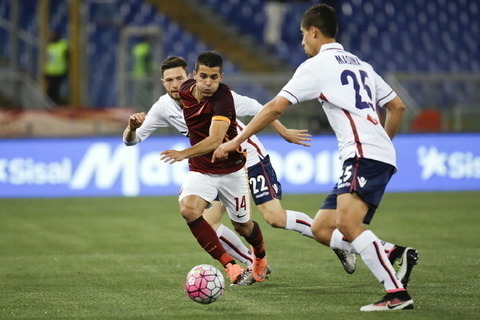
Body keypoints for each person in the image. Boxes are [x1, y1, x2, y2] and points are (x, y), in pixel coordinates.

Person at [213, 4, 418, 311]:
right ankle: (389, 252)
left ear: (313, 31)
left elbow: (273, 108)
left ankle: (396, 294)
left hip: (362, 153)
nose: (301, 43)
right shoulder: (361, 64)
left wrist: (235, 142)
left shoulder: (317, 65)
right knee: (323, 228)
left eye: (302, 35)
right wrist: (382, 144)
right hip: (372, 152)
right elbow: (397, 106)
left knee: (348, 224)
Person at [123, 55, 356, 280]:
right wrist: (132, 127)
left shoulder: (217, 95)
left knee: (274, 218)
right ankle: (250, 262)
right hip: (215, 166)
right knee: (210, 223)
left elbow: (258, 108)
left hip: (249, 158)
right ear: (163, 83)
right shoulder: (163, 107)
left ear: (190, 77)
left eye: (180, 78)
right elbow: (131, 140)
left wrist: (284, 132)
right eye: (170, 80)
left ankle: (336, 241)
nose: (176, 84)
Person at [159, 51, 274, 285]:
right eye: (203, 76)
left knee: (243, 226)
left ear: (221, 77)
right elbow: (171, 97)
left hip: (231, 171)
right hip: (201, 170)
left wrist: (183, 154)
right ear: (193, 76)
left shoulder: (223, 98)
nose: (208, 83)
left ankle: (259, 255)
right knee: (189, 210)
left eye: (214, 77)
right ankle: (230, 267)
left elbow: (215, 140)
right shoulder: (184, 91)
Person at [44, 31, 69, 105]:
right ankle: (50, 106)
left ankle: (58, 105)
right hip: (51, 72)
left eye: (54, 35)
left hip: (60, 71)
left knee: (57, 90)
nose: (52, 37)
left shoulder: (63, 45)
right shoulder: (49, 46)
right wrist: (46, 71)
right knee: (50, 91)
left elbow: (68, 57)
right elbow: (48, 60)